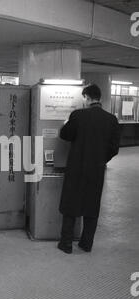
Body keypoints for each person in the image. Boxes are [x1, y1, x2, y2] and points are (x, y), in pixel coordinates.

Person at [58, 84, 120, 254]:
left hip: (76, 168)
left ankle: (66, 244)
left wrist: (65, 124)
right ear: (99, 97)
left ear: (86, 97)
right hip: (97, 169)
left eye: (83, 98)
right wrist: (100, 159)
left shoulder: (78, 115)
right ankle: (86, 244)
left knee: (70, 204)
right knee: (92, 206)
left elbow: (65, 135)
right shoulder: (111, 119)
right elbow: (114, 148)